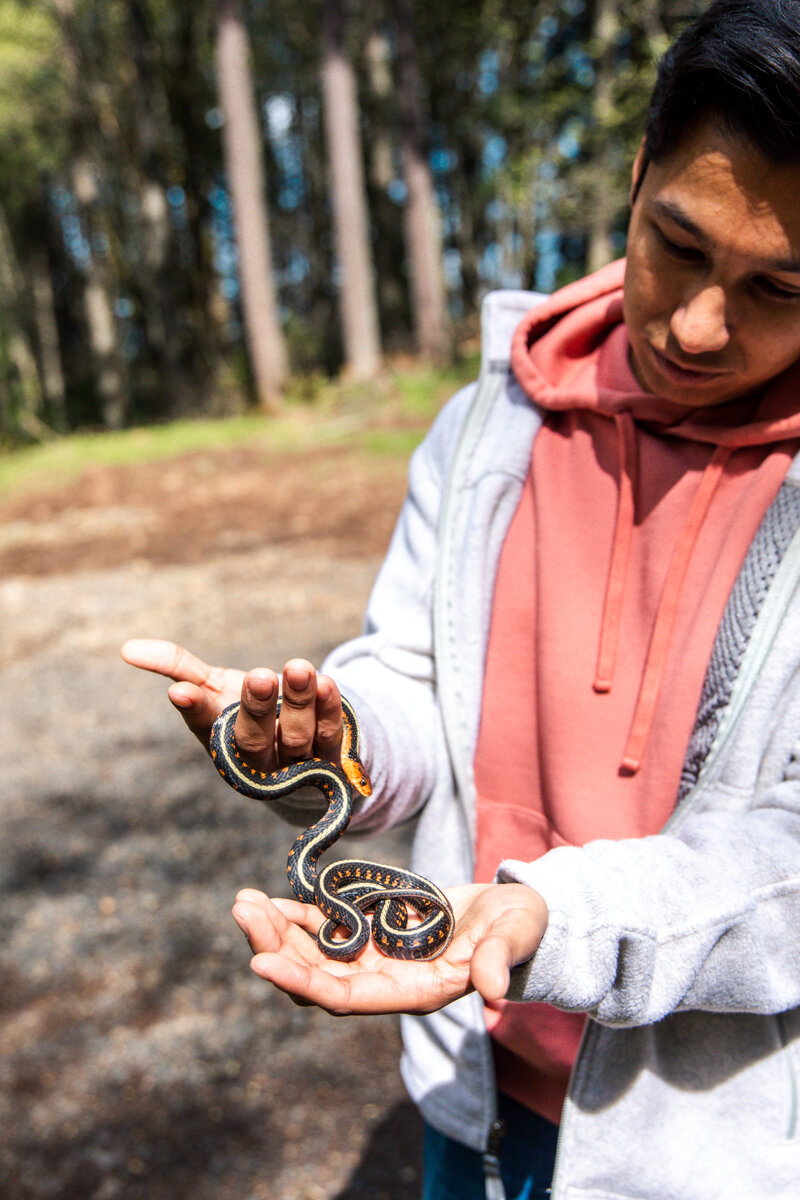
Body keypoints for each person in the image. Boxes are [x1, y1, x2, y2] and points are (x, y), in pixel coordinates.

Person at [122, 1, 800, 1195]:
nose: (700, 324)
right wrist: (339, 742)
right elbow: (420, 683)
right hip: (471, 1086)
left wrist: (550, 918)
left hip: (704, 1149)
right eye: (676, 247)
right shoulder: (488, 424)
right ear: (635, 177)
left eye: (778, 289)